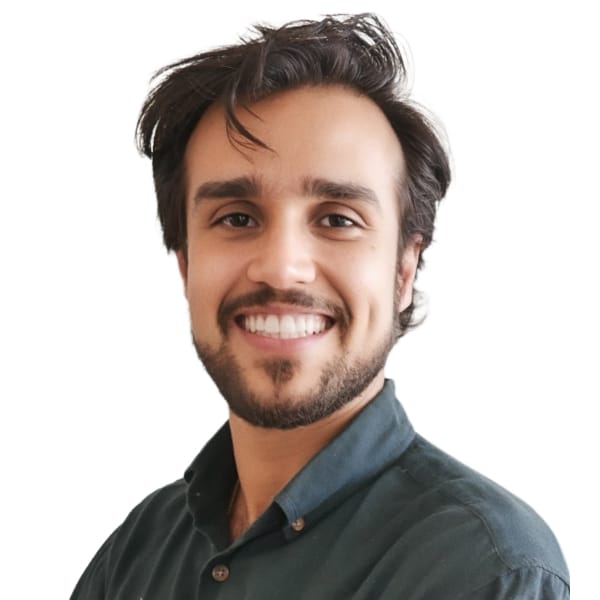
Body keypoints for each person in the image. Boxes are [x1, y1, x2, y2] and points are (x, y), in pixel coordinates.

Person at [71, 13, 569, 599]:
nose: (282, 267)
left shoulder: (482, 568)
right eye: (237, 218)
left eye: (338, 219)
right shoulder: (137, 552)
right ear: (185, 264)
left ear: (403, 270)